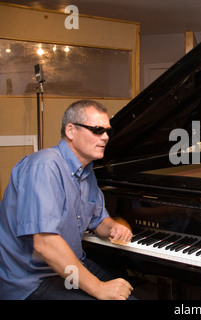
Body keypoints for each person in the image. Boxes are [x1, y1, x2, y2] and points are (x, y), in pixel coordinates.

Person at [0, 100, 135, 300]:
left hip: (69, 268)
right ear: (71, 131)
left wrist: (113, 227)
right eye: (97, 130)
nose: (105, 137)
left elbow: (99, 221)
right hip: (31, 278)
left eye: (107, 131)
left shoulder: (87, 172)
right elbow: (45, 244)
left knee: (128, 295)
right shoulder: (44, 166)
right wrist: (98, 288)